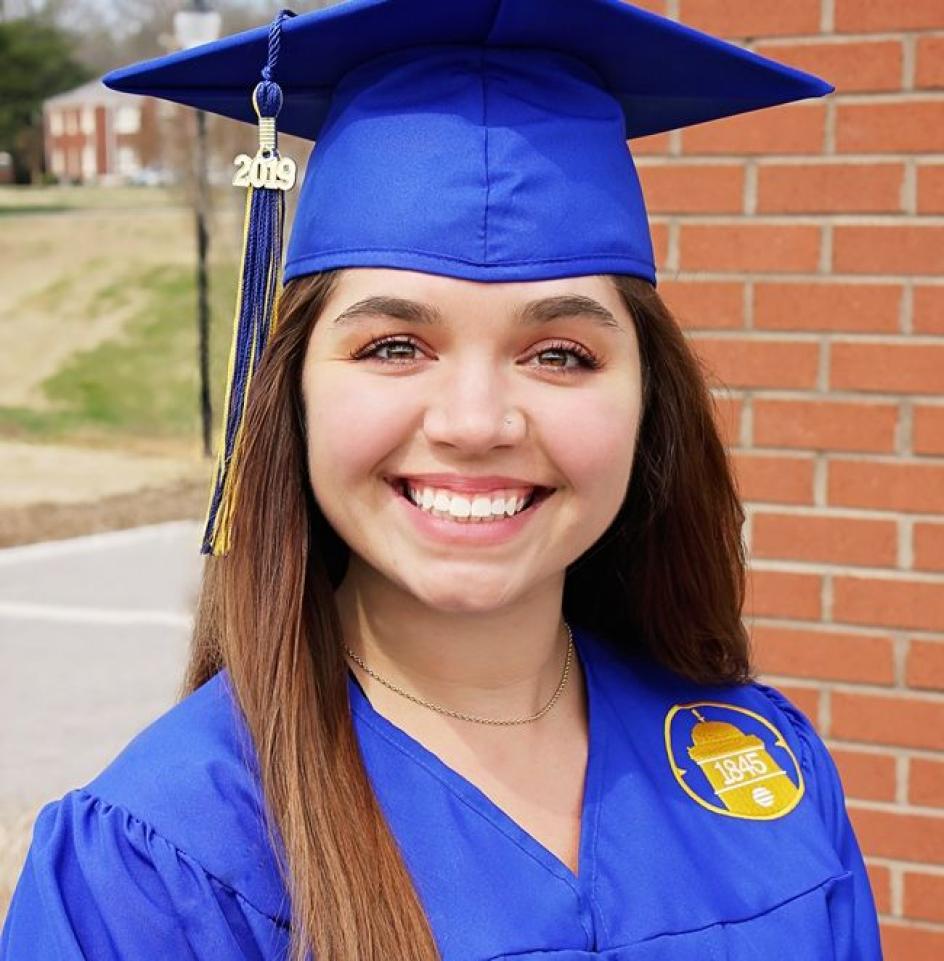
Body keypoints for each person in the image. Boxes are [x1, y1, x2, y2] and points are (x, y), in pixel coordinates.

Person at [1, 1, 883, 959]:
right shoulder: (158, 864)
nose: (474, 423)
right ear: (291, 392)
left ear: (647, 402)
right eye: (392, 345)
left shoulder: (761, 771)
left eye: (559, 354)